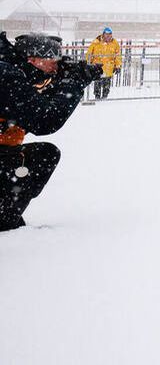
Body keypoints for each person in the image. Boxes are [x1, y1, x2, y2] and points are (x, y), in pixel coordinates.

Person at [1, 32, 101, 231]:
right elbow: (44, 120)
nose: (56, 66)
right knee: (43, 156)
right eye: (53, 61)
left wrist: (65, 81)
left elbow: (31, 105)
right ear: (33, 60)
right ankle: (5, 219)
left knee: (34, 156)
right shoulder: (7, 75)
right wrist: (73, 82)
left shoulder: (11, 69)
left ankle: (6, 212)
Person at [85, 26, 122, 99]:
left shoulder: (115, 43)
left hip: (109, 67)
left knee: (107, 84)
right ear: (103, 34)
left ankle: (105, 97)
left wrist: (118, 65)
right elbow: (89, 54)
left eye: (109, 34)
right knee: (97, 82)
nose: (108, 36)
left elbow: (117, 55)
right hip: (98, 67)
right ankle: (97, 96)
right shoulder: (96, 42)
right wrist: (88, 64)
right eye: (106, 34)